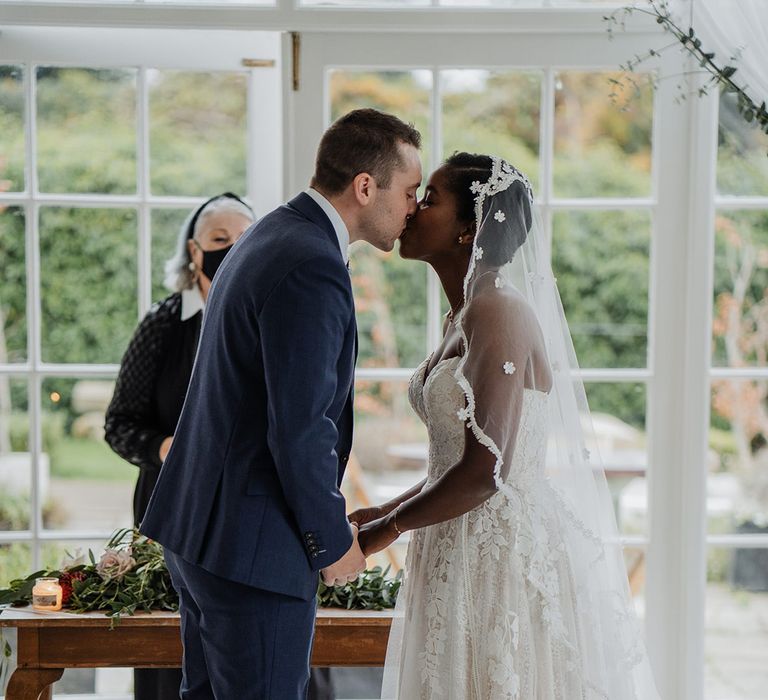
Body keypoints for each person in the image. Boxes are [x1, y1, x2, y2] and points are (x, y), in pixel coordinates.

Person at [352, 153, 661, 699]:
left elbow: (485, 471)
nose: (414, 209)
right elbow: (453, 460)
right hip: (451, 535)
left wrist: (385, 530)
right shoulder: (461, 314)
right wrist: (381, 508)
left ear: (467, 231)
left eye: (432, 200)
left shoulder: (498, 311)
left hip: (495, 550)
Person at [140, 108, 422, 699]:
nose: (413, 207)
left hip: (201, 533)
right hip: (251, 549)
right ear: (365, 187)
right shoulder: (311, 263)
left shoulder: (272, 232)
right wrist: (332, 542)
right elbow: (300, 429)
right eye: (410, 190)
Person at [104, 192, 255, 700]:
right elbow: (120, 423)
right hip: (170, 506)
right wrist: (170, 448)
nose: (232, 249)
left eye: (245, 239)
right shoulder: (164, 323)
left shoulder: (267, 316)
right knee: (174, 648)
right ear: (194, 251)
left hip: (247, 510)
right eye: (219, 240)